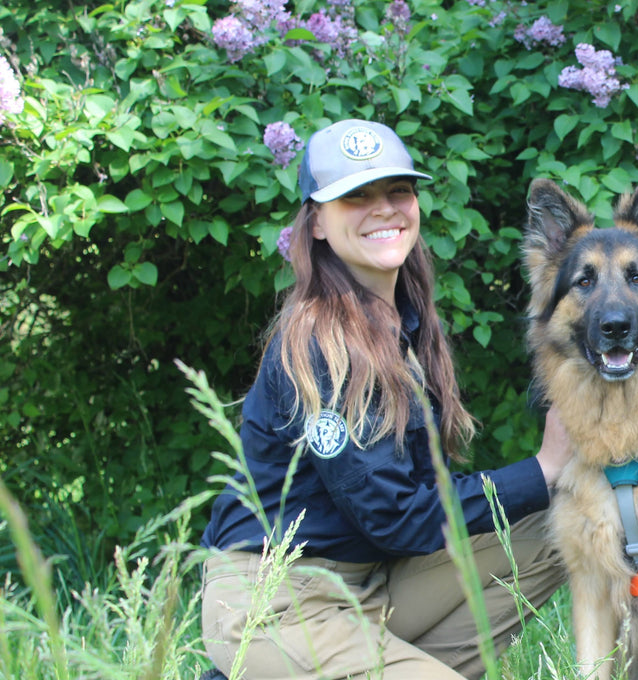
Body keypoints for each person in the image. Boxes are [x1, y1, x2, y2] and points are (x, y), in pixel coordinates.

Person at [200, 119, 572, 680]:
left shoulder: (403, 326)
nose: (384, 209)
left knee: (568, 525)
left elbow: (424, 503)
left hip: (375, 583)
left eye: (398, 191)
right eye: (355, 196)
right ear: (317, 222)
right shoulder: (319, 342)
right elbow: (395, 516)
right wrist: (542, 470)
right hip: (280, 598)